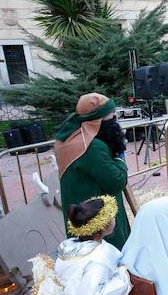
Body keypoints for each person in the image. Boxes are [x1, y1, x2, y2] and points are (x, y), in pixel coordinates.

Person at [55, 93, 131, 249]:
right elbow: (116, 181)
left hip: (79, 216)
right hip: (97, 219)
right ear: (98, 120)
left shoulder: (67, 139)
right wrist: (119, 160)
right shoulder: (92, 147)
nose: (115, 117)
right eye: (112, 115)